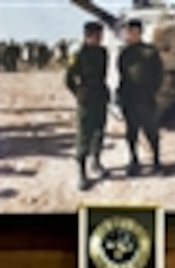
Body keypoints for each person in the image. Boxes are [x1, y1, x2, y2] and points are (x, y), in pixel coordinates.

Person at [65, 21, 110, 190]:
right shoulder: (78, 54)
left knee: (99, 131)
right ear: (88, 36)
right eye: (97, 36)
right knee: (84, 134)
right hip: (86, 98)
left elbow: (103, 74)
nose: (100, 39)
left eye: (101, 36)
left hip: (100, 95)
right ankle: (82, 173)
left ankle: (96, 162)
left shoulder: (103, 52)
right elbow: (68, 79)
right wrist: (79, 94)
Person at [117, 19, 164, 175]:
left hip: (145, 98)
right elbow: (122, 75)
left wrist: (151, 92)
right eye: (127, 31)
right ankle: (134, 161)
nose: (128, 34)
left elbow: (159, 75)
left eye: (131, 31)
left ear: (138, 32)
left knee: (151, 131)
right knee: (131, 132)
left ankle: (157, 162)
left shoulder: (150, 51)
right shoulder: (124, 53)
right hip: (129, 98)